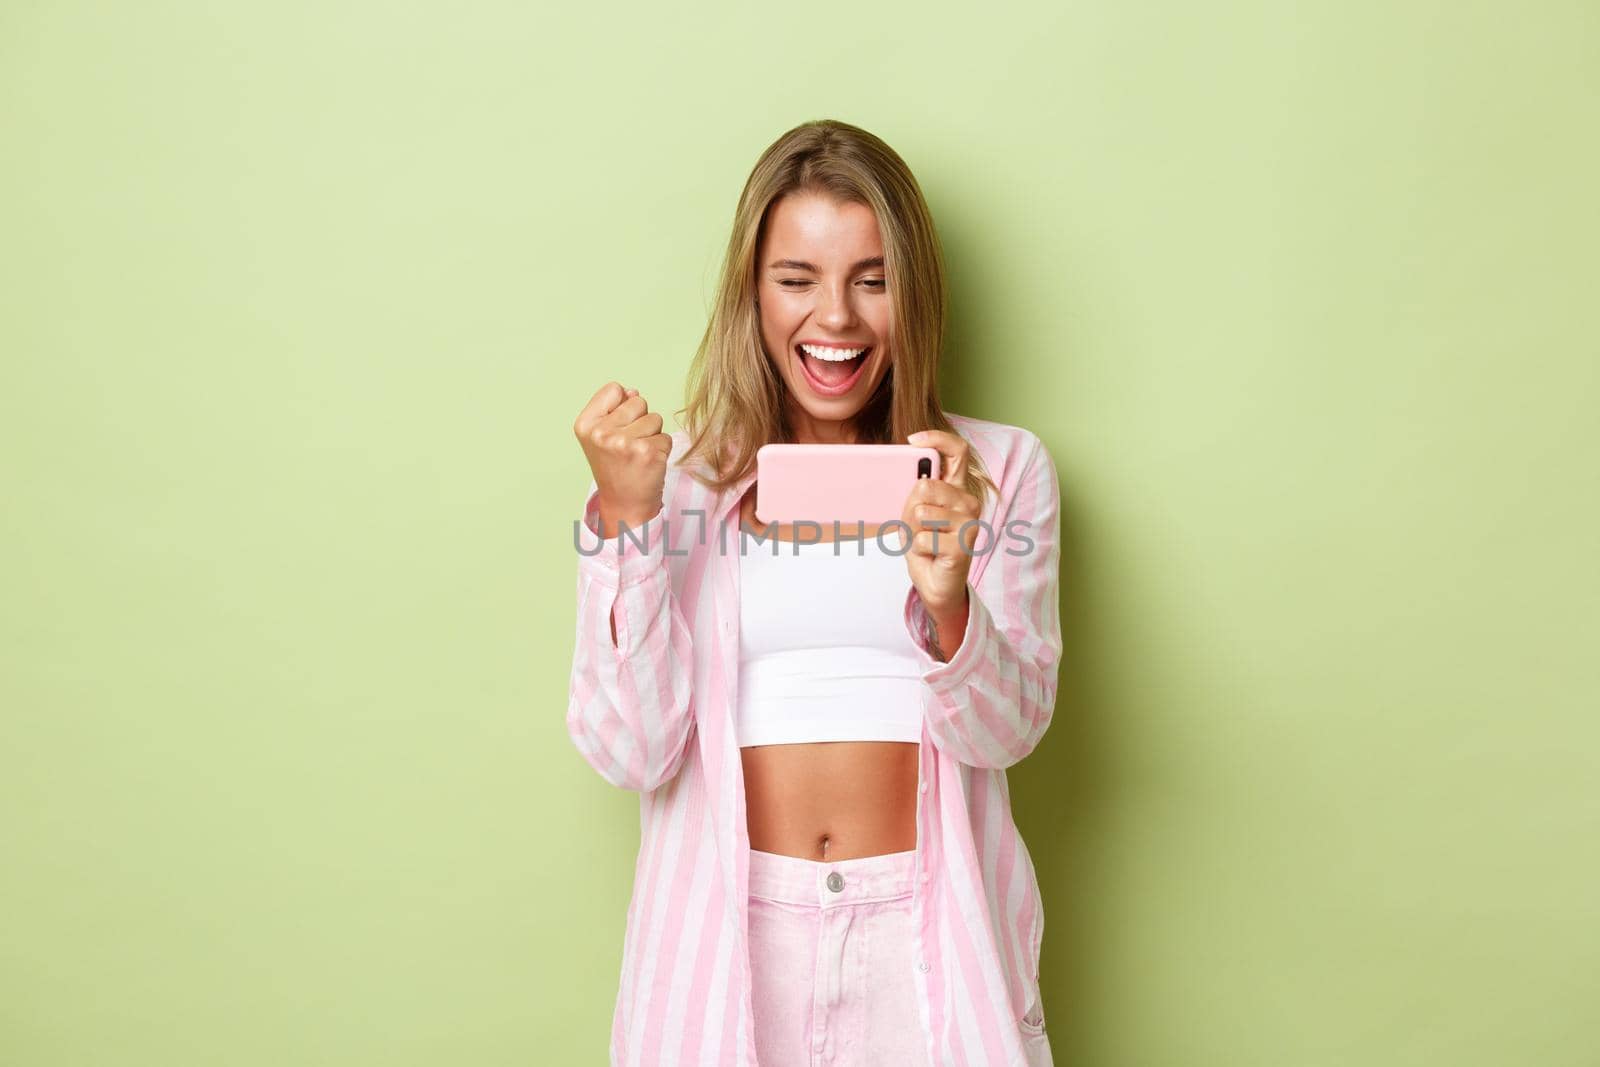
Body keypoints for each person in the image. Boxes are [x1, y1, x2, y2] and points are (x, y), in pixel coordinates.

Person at [569, 118, 1062, 1066]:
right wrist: (627, 523)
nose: (834, 317)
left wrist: (951, 597)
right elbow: (632, 751)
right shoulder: (676, 486)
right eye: (797, 279)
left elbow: (1008, 731)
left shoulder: (998, 471)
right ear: (752, 293)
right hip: (736, 938)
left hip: (926, 936)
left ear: (912, 295)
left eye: (871, 280)